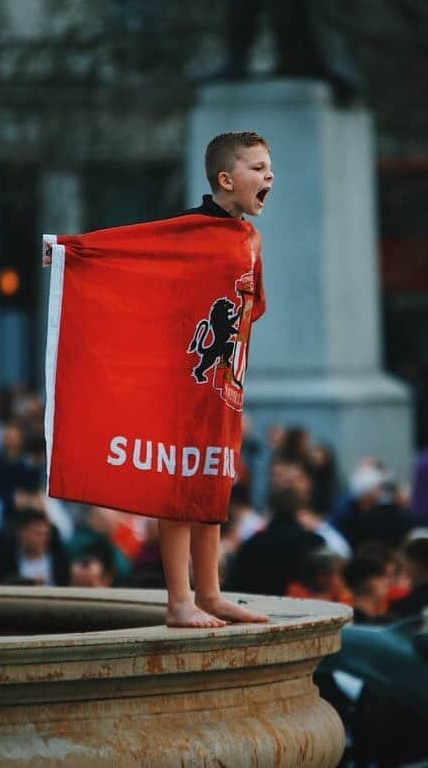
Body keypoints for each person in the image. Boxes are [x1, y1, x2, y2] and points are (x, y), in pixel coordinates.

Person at [145, 132, 274, 627]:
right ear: (226, 179)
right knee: (178, 483)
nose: (269, 177)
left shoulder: (249, 237)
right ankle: (180, 599)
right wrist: (73, 254)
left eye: (270, 169)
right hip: (181, 379)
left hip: (225, 381)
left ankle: (210, 592)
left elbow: (252, 306)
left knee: (211, 479)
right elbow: (131, 260)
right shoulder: (185, 232)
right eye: (258, 168)